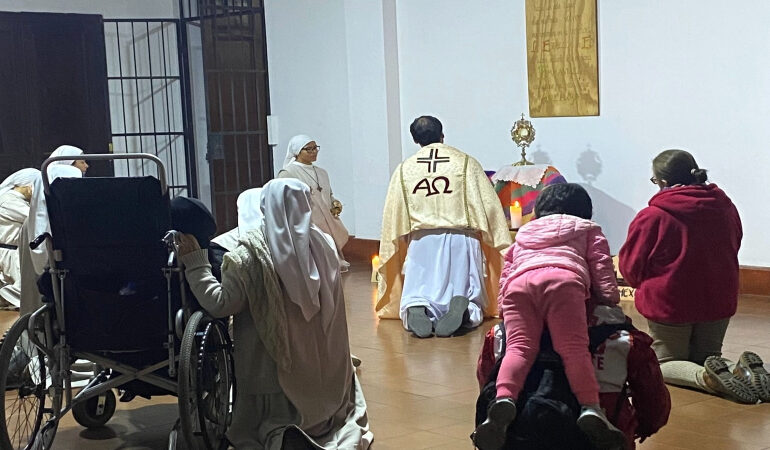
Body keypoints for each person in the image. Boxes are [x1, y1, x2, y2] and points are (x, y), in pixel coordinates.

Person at [177, 178, 373, 449]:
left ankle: (280, 432)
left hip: (273, 374)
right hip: (326, 371)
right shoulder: (325, 245)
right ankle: (315, 423)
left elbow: (220, 304)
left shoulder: (248, 254)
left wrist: (195, 264)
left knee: (269, 421)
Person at [475, 183, 625, 450]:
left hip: (519, 287)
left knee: (518, 349)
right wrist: (609, 298)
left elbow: (507, 273)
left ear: (540, 210)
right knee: (573, 349)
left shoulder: (524, 234)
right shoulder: (589, 231)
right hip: (564, 283)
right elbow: (601, 267)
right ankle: (591, 408)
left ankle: (504, 400)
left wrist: (502, 309)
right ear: (585, 212)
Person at [618, 149, 767, 404]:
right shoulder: (725, 206)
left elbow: (631, 264)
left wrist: (641, 286)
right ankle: (744, 371)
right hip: (719, 299)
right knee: (709, 355)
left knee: (663, 363)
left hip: (671, 304)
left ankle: (706, 379)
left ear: (663, 182)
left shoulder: (653, 215)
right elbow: (735, 242)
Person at [376, 116, 511, 337]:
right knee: (466, 287)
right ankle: (465, 309)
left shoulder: (405, 169)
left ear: (415, 140)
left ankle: (416, 306)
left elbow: (394, 212)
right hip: (462, 238)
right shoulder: (465, 162)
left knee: (419, 286)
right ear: (442, 134)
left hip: (421, 241)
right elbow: (489, 206)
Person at [277, 135, 350, 267]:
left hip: (326, 216)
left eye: (315, 148)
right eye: (308, 149)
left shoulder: (321, 172)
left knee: (331, 240)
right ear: (297, 152)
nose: (314, 152)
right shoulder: (288, 172)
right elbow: (283, 199)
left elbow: (328, 193)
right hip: (308, 218)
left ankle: (333, 261)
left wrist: (334, 203)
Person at [0, 168, 40, 309]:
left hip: (13, 251)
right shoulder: (9, 200)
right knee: (24, 293)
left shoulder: (14, 199)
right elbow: (33, 218)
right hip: (9, 252)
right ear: (29, 187)